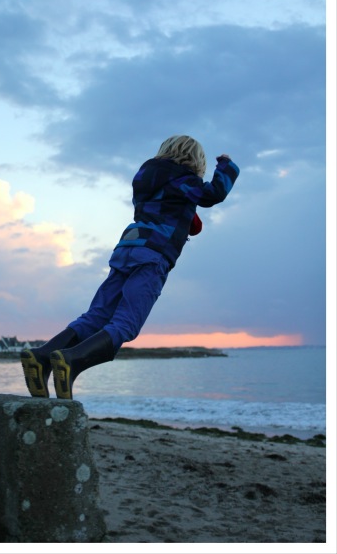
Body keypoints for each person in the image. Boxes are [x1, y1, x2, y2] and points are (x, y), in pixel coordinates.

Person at [20, 135, 240, 399]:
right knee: (126, 324)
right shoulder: (183, 179)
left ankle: (42, 355)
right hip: (153, 254)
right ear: (195, 160)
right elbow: (212, 194)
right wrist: (226, 166)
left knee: (96, 316)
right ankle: (71, 360)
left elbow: (166, 205)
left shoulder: (147, 176)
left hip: (127, 248)